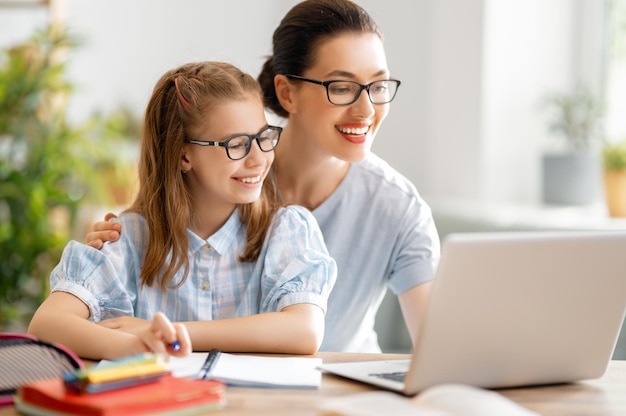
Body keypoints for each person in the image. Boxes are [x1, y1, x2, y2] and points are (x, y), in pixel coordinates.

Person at [86, 0, 439, 353]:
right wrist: (124, 237)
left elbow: (439, 346)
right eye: (342, 88)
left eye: (378, 86)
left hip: (342, 391)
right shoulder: (230, 177)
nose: (366, 110)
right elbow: (160, 221)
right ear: (287, 93)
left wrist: (169, 333)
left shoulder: (400, 207)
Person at [28, 61, 336, 360]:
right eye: (238, 144)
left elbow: (304, 330)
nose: (258, 158)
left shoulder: (285, 230)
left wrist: (169, 332)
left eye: (263, 137)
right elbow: (47, 325)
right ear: (183, 155)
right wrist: (138, 347)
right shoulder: (129, 238)